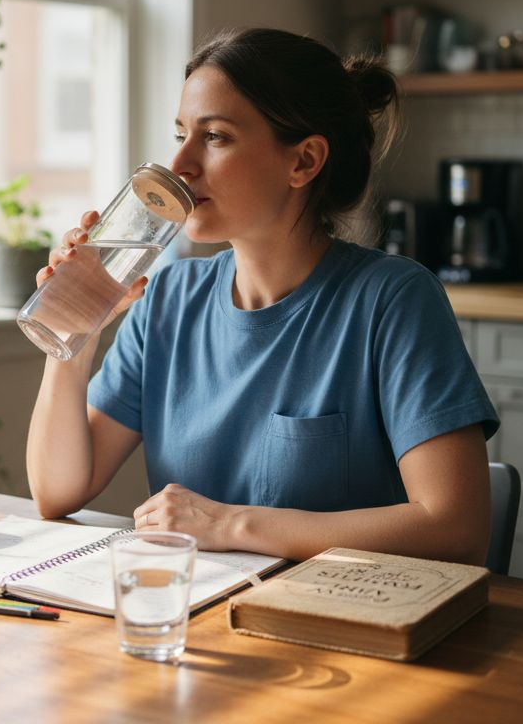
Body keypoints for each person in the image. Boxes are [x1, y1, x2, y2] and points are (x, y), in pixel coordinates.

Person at [25, 28, 499, 566]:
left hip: (342, 625)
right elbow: (58, 492)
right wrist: (74, 334)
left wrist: (230, 522)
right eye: (180, 133)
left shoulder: (393, 301)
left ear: (303, 162)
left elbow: (457, 527)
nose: (180, 165)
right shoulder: (167, 301)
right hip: (200, 623)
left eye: (216, 137)